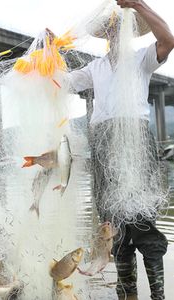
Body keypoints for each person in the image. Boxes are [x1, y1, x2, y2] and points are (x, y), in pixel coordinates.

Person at [65, 1, 174, 299]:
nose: (115, 32)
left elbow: (168, 40)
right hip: (102, 143)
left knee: (142, 217)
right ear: (106, 34)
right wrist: (48, 54)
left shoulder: (142, 59)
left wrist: (139, 5)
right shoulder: (95, 67)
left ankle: (158, 295)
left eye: (119, 26)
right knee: (112, 224)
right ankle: (126, 293)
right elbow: (62, 82)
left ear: (127, 31)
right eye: (110, 28)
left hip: (133, 142)